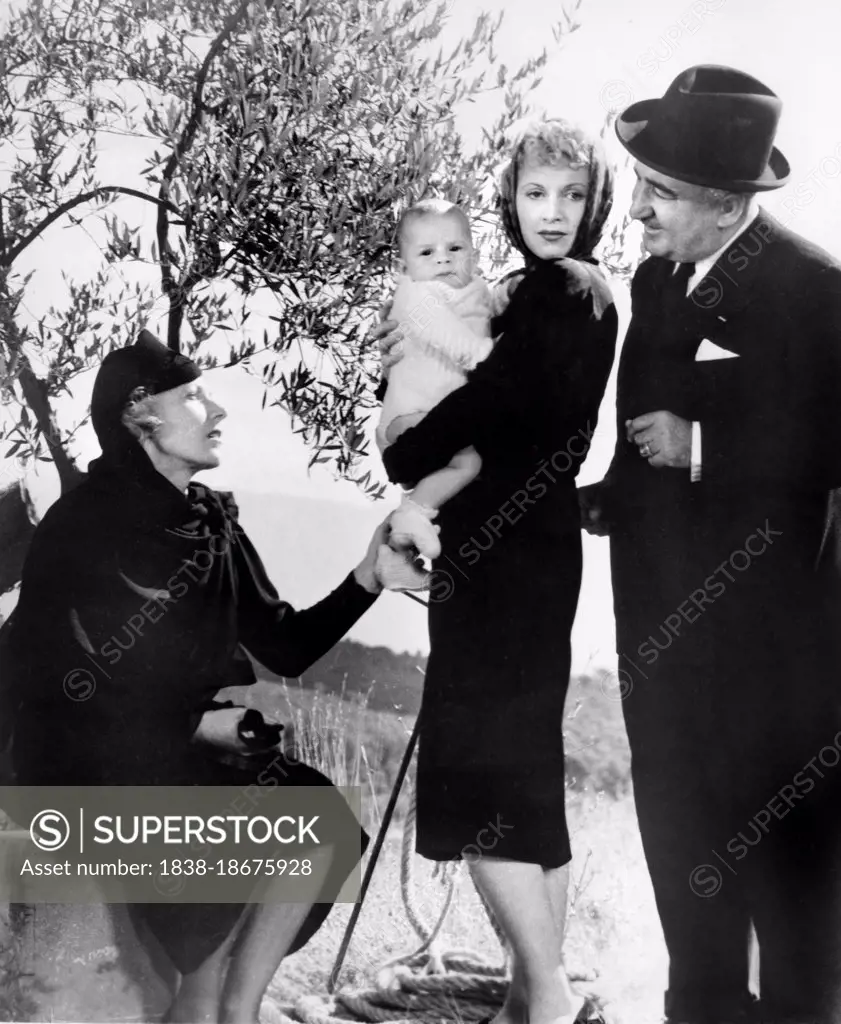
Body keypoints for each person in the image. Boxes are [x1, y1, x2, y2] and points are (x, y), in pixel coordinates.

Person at [4, 330, 386, 1024]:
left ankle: (231, 1009)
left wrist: (369, 575)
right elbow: (60, 683)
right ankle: (201, 1009)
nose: (217, 411)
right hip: (78, 761)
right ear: (140, 412)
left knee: (319, 811)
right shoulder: (81, 525)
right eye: (194, 396)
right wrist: (194, 725)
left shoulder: (210, 522)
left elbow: (286, 644)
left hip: (169, 751)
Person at [580, 65, 841, 1023]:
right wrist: (602, 496)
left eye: (662, 194)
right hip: (661, 657)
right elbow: (633, 421)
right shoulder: (654, 279)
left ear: (728, 202)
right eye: (640, 182)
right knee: (691, 917)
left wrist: (705, 447)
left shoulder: (814, 288)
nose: (636, 208)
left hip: (779, 683)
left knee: (798, 937)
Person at [379, 120, 617, 1024]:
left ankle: (546, 996)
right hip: (525, 547)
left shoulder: (563, 289)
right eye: (533, 193)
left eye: (569, 193)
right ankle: (529, 995)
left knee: (481, 778)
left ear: (596, 203)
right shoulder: (536, 289)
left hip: (505, 555)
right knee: (520, 776)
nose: (551, 212)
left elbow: (491, 400)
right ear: (509, 202)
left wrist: (408, 460)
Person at [375, 197, 493, 591]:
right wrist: (493, 359)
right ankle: (409, 521)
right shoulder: (416, 296)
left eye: (455, 249)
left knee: (455, 475)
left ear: (473, 253)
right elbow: (458, 342)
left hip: (429, 411)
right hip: (411, 411)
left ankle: (397, 553)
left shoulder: (472, 293)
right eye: (427, 252)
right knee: (466, 465)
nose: (443, 259)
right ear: (403, 264)